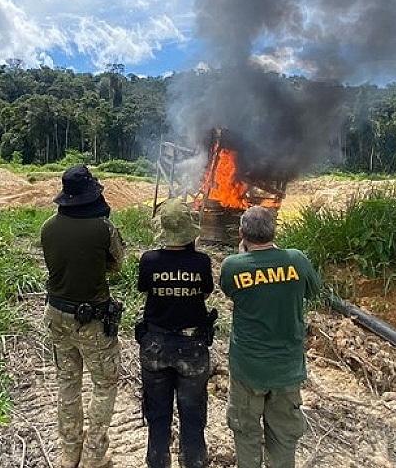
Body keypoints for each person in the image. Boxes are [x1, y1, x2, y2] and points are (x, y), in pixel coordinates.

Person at [219, 205, 321, 468]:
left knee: (246, 433)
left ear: (242, 232)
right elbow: (313, 290)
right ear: (274, 231)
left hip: (248, 367)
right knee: (284, 437)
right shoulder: (296, 260)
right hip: (287, 367)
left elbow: (231, 292)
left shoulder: (232, 266)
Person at [41, 165, 125, 468]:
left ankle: (69, 452)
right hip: (92, 322)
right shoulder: (104, 228)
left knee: (67, 382)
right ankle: (93, 456)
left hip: (57, 315)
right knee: (104, 385)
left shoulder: (48, 227)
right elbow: (116, 265)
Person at [136, 199, 217, 468]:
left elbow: (145, 290)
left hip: (155, 346)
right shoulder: (202, 262)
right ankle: (193, 460)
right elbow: (205, 293)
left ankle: (158, 459)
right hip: (192, 347)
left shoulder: (149, 260)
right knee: (192, 412)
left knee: (158, 412)